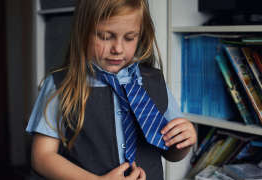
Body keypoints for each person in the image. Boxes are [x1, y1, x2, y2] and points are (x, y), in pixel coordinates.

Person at [26, 0, 197, 179]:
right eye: (105, 37)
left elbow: (171, 153)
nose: (118, 49)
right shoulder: (60, 85)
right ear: (83, 32)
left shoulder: (154, 82)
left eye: (130, 38)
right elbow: (42, 157)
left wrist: (183, 144)